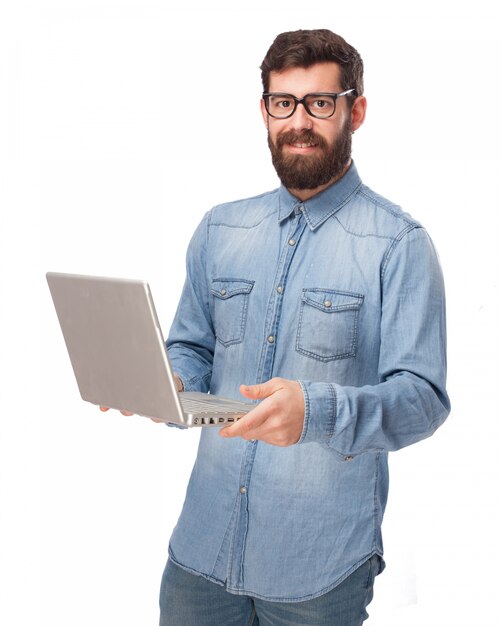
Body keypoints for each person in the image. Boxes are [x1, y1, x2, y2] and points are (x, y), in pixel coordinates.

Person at [152, 28, 450, 625]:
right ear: (265, 109)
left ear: (354, 110)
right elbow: (190, 346)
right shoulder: (220, 229)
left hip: (319, 571)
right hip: (200, 556)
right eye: (283, 103)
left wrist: (315, 411)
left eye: (320, 103)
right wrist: (167, 382)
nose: (299, 122)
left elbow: (423, 399)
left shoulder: (399, 244)